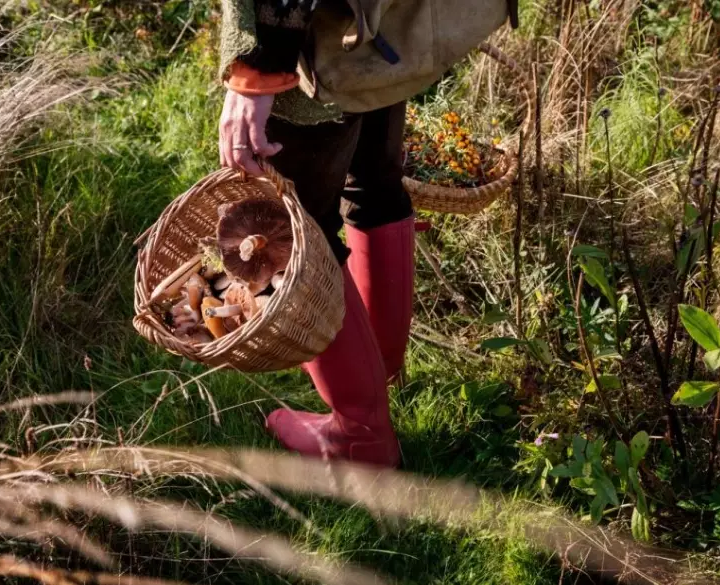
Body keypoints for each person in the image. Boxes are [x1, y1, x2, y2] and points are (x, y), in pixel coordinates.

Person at [217, 0, 514, 467]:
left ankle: (360, 434)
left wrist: (259, 69)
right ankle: (379, 369)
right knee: (373, 184)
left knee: (288, 232)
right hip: (374, 29)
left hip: (311, 38)